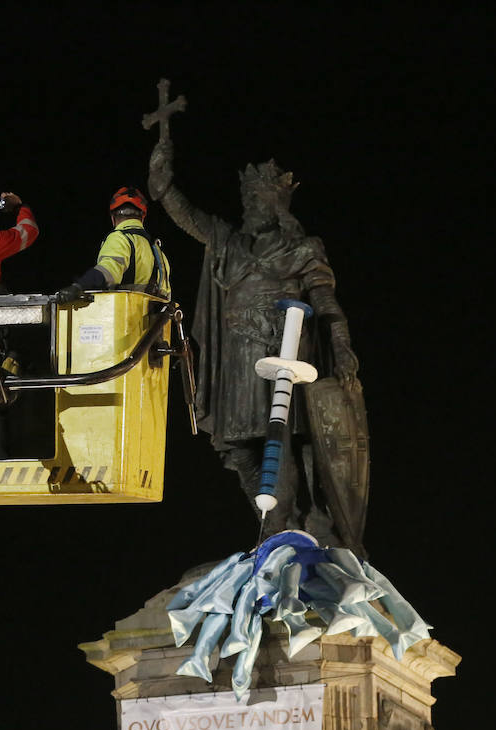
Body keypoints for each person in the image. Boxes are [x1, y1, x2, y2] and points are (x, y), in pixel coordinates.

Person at [147, 127, 369, 554]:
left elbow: (326, 305)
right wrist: (161, 174)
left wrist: (342, 349)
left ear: (276, 203)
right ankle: (272, 525)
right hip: (238, 362)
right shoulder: (231, 243)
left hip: (283, 356)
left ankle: (285, 529)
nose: (248, 204)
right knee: (242, 450)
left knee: (279, 442)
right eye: (246, 198)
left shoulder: (302, 248)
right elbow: (183, 211)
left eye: (256, 198)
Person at [54, 186, 171, 304]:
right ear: (142, 217)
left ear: (113, 218)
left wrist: (78, 287)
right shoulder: (159, 254)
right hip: (151, 321)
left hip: (122, 319)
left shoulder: (120, 239)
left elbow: (108, 271)